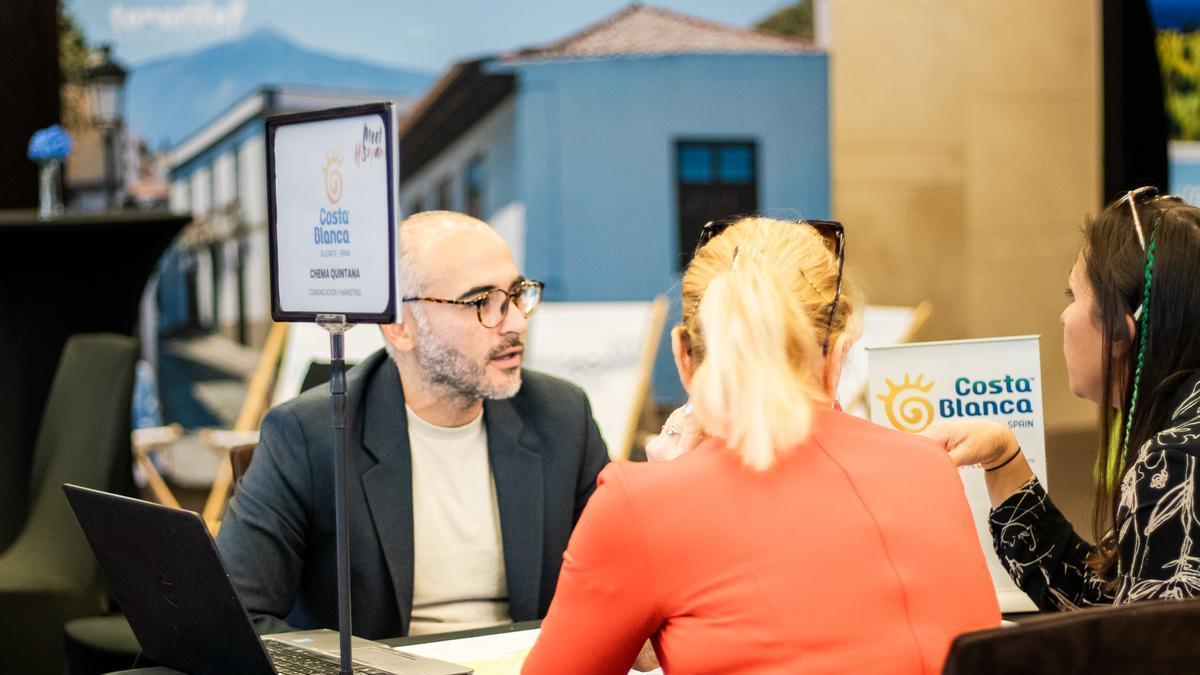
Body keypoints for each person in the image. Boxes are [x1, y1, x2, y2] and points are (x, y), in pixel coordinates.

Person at [522, 217, 1000, 675]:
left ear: (683, 356)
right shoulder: (928, 465)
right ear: (838, 352)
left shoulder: (641, 504)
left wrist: (667, 483)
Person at [216, 211, 609, 638]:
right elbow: (235, 618)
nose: (515, 322)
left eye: (517, 295)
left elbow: (620, 581)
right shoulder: (309, 435)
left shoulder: (561, 415)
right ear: (401, 327)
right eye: (481, 303)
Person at [922, 188, 1200, 610]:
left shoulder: (1175, 464)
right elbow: (1109, 602)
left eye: (1073, 296)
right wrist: (1005, 462)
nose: (1063, 317)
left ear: (1119, 332)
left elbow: (1142, 653)